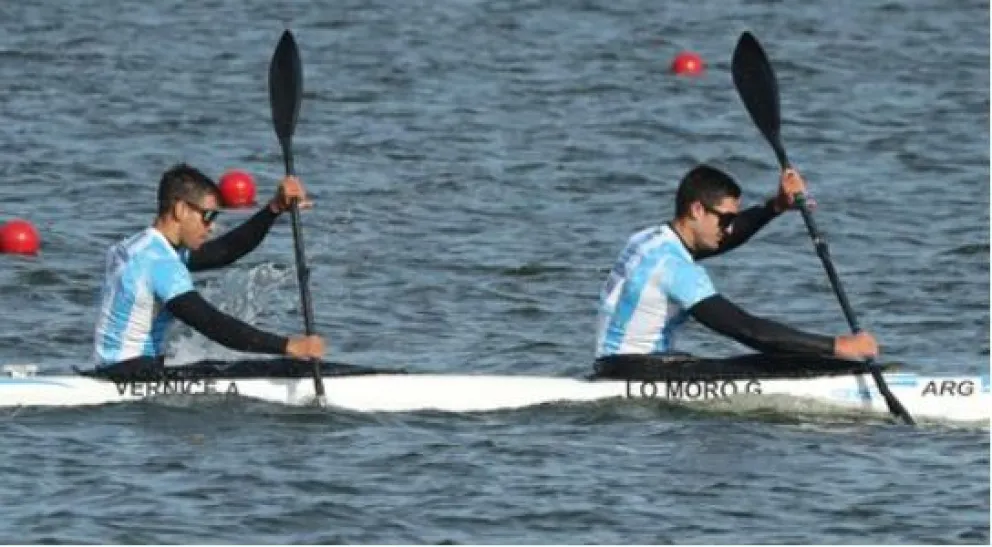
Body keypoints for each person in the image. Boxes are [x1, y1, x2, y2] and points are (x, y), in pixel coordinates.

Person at [595, 164, 878, 365]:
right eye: (726, 220)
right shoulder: (677, 270)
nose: (729, 229)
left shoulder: (648, 241)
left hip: (614, 366)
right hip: (642, 374)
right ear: (696, 210)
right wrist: (837, 346)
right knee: (780, 361)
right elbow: (748, 330)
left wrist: (774, 207)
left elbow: (723, 240)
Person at [92, 163, 325, 376]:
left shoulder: (139, 246)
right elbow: (212, 324)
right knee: (273, 368)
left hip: (113, 368)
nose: (211, 227)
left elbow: (226, 250)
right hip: (133, 374)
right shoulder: (161, 263)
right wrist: (289, 346)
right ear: (181, 209)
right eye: (208, 216)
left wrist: (272, 210)